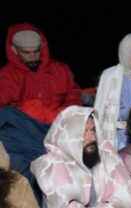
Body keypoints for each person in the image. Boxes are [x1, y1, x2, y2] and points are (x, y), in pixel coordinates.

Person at [0, 23, 81, 193]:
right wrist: (31, 110)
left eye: (36, 51)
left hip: (59, 126)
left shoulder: (59, 70)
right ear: (14, 50)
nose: (32, 57)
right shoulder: (5, 77)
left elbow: (73, 96)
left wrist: (59, 114)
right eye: (26, 53)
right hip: (25, 134)